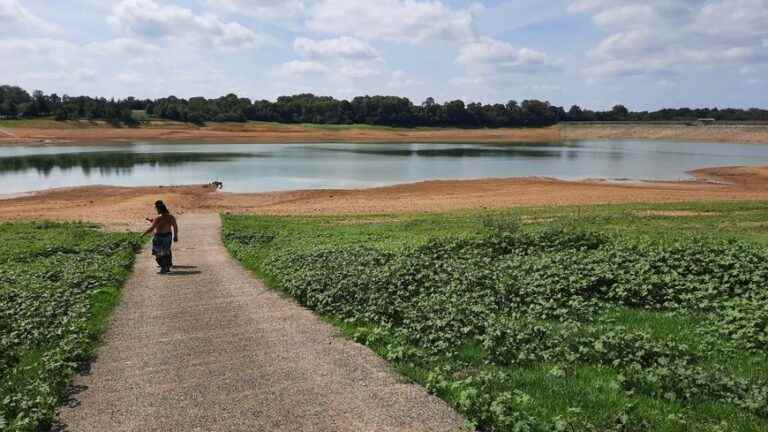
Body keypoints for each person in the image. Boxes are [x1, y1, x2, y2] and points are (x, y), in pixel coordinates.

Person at [142, 200, 179, 274]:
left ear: (159, 209)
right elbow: (175, 227)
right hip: (168, 236)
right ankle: (166, 267)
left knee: (158, 253)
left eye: (156, 209)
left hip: (158, 237)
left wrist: (143, 234)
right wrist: (175, 236)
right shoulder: (171, 217)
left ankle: (164, 267)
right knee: (166, 252)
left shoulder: (158, 218)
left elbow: (152, 228)